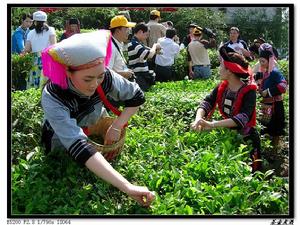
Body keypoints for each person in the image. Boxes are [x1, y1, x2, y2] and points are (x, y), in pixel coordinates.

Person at [40, 29, 155, 206]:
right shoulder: (53, 96)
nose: (95, 84)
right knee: (69, 175)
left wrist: (116, 126)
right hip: (61, 140)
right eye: (87, 79)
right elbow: (78, 145)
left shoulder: (106, 76)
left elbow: (137, 96)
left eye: (100, 76)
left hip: (93, 120)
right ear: (68, 73)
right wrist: (128, 187)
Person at [191, 46, 262, 173]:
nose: (219, 69)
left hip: (247, 140)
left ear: (229, 70)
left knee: (251, 175)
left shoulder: (249, 91)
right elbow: (207, 103)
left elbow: (242, 118)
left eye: (221, 66)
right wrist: (198, 119)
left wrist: (212, 125)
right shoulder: (222, 87)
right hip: (228, 137)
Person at [254, 43, 287, 150]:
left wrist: (267, 92)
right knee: (266, 126)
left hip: (275, 105)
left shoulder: (274, 73)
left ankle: (275, 149)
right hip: (265, 104)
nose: (261, 64)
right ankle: (267, 148)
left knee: (276, 128)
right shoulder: (261, 72)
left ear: (269, 61)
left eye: (263, 61)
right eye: (260, 61)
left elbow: (283, 86)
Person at [25, 10, 56, 89]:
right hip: (48, 58)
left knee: (34, 82)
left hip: (35, 60)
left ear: (34, 22)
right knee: (47, 83)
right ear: (45, 20)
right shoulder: (51, 30)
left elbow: (27, 49)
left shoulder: (30, 33)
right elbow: (54, 46)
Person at [128, 23, 161, 91]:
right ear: (140, 32)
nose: (147, 37)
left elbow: (151, 52)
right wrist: (154, 46)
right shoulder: (134, 44)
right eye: (146, 34)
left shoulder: (138, 43)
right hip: (139, 77)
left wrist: (154, 50)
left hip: (141, 76)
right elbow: (149, 55)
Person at [108, 15, 136, 80]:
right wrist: (124, 73)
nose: (129, 32)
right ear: (118, 31)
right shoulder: (111, 47)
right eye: (126, 28)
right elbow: (106, 72)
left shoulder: (118, 43)